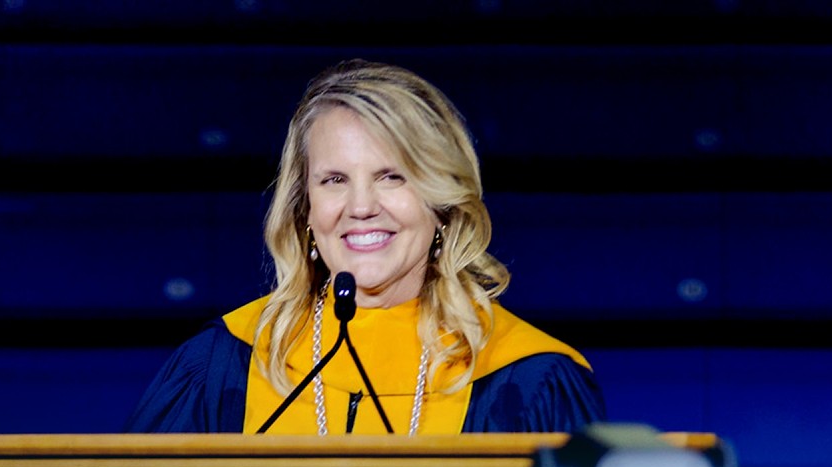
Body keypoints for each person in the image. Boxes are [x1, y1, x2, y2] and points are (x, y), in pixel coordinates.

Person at [127, 59, 604, 434]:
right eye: (334, 180)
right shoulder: (224, 364)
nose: (360, 206)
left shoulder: (526, 378)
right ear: (305, 209)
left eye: (392, 177)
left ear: (440, 202)